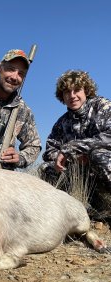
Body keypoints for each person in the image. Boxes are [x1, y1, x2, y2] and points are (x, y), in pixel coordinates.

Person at [39, 70, 111, 216]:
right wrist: (73, 158)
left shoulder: (102, 106)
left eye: (77, 90)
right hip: (83, 175)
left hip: (103, 166)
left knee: (98, 155)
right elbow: (49, 151)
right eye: (66, 92)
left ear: (86, 91)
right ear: (62, 96)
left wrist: (72, 148)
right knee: (46, 168)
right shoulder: (61, 122)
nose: (72, 96)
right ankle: (88, 208)